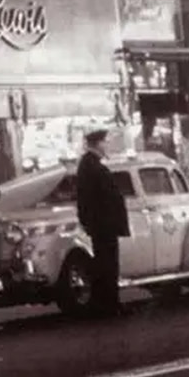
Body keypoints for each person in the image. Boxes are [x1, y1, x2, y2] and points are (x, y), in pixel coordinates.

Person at [76, 129, 130, 317]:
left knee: (104, 264)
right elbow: (101, 198)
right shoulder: (94, 167)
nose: (107, 145)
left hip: (100, 224)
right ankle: (109, 304)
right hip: (104, 224)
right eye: (105, 142)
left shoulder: (88, 165)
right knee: (108, 264)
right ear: (98, 144)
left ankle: (106, 303)